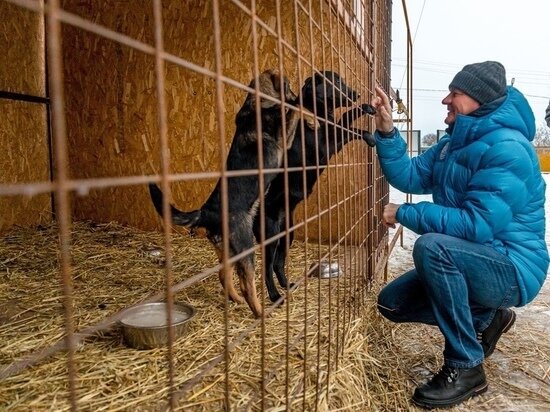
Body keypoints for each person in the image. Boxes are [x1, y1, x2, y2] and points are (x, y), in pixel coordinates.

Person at [371, 61, 548, 409]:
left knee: (433, 248)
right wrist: (388, 132)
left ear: (478, 100)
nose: (445, 100)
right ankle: (487, 316)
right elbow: (409, 176)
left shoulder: (509, 149)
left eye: (455, 93)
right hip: (475, 257)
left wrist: (405, 212)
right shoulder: (452, 144)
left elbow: (475, 224)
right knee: (391, 303)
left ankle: (466, 367)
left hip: (512, 268)